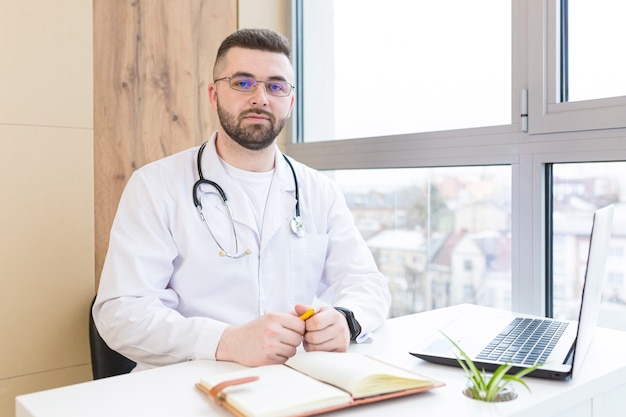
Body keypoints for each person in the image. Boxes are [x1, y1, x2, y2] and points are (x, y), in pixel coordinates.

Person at [93, 28, 390, 372]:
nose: (261, 98)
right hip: (185, 383)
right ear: (213, 94)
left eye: (275, 86)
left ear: (290, 103)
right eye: (243, 83)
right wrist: (225, 341)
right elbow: (121, 313)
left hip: (294, 381)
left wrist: (346, 320)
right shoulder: (155, 185)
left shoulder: (319, 191)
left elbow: (367, 282)